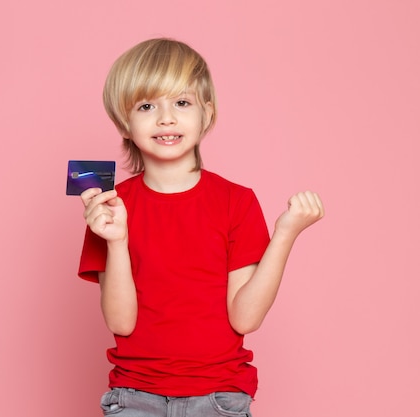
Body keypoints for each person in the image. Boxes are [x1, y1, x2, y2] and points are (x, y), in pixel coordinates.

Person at [77, 38, 324, 417]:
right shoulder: (110, 208)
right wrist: (116, 241)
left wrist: (286, 234)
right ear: (124, 124)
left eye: (181, 102)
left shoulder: (236, 201)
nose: (166, 118)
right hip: (134, 396)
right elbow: (120, 323)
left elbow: (246, 318)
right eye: (146, 106)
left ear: (206, 113)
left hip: (220, 398)